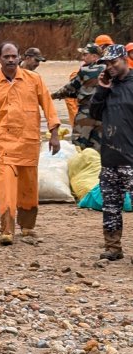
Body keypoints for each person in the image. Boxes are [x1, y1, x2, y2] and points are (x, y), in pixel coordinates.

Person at [0, 42, 60, 246]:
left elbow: (48, 105)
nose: (10, 60)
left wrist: (54, 134)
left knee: (28, 188)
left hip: (29, 142)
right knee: (6, 188)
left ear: (19, 57)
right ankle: (7, 230)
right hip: (2, 145)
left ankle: (27, 226)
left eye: (14, 56)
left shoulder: (34, 80)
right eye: (6, 56)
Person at [88, 44, 133, 260]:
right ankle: (113, 247)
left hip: (131, 158)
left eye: (113, 62)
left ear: (125, 59)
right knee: (111, 205)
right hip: (109, 158)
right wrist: (101, 90)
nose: (109, 67)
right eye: (106, 64)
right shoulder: (107, 86)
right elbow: (94, 114)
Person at [51, 43, 105, 151]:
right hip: (104, 114)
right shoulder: (109, 69)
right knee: (98, 146)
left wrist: (52, 96)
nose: (83, 58)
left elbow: (70, 88)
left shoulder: (85, 70)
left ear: (95, 57)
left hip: (86, 114)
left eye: (85, 54)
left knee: (79, 145)